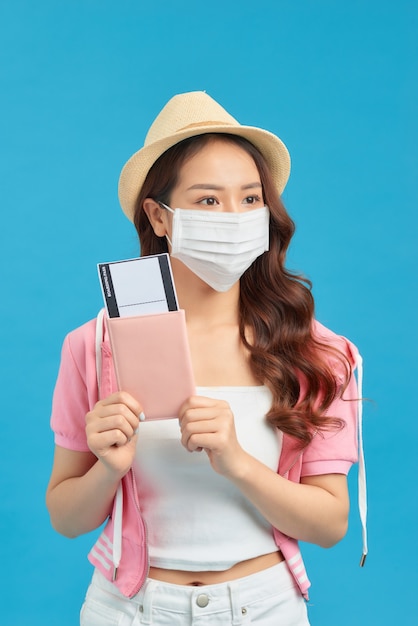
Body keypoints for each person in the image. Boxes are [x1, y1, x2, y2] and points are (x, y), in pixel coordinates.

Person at [46, 91, 366, 626]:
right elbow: (64, 516)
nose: (235, 216)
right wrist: (106, 468)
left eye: (250, 198)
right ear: (159, 216)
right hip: (128, 609)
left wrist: (238, 462)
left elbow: (331, 524)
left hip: (265, 609)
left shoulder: (316, 350)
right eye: (209, 200)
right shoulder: (95, 343)